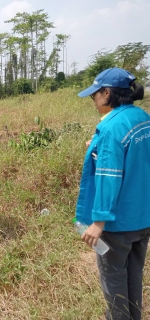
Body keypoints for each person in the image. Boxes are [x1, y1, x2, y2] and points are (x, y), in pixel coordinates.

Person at [75, 67, 150, 320]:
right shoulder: (142, 117)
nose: (93, 101)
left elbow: (109, 175)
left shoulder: (111, 128)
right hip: (142, 218)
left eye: (94, 95)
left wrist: (99, 221)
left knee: (114, 286)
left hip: (117, 225)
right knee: (133, 277)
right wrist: (96, 145)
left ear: (107, 93)